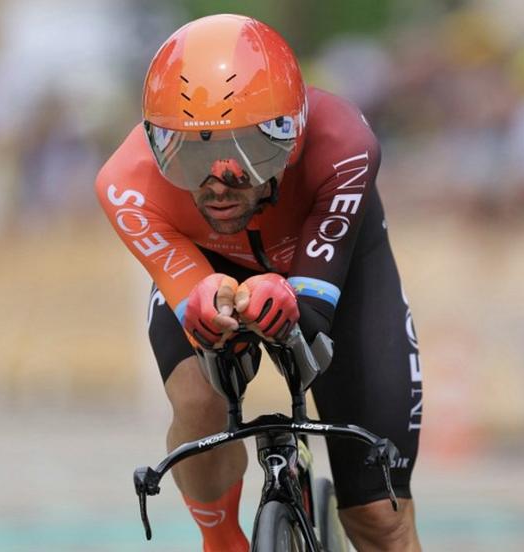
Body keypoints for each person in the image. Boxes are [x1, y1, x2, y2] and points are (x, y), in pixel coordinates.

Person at [96, 14, 423, 551]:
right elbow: (192, 297)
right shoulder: (124, 183)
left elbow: (314, 314)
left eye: (249, 151)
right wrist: (200, 296)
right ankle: (221, 539)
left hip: (333, 265)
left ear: (290, 134)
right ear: (156, 146)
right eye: (190, 153)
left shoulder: (344, 144)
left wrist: (296, 297)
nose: (220, 180)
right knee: (199, 400)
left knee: (379, 520)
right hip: (206, 263)